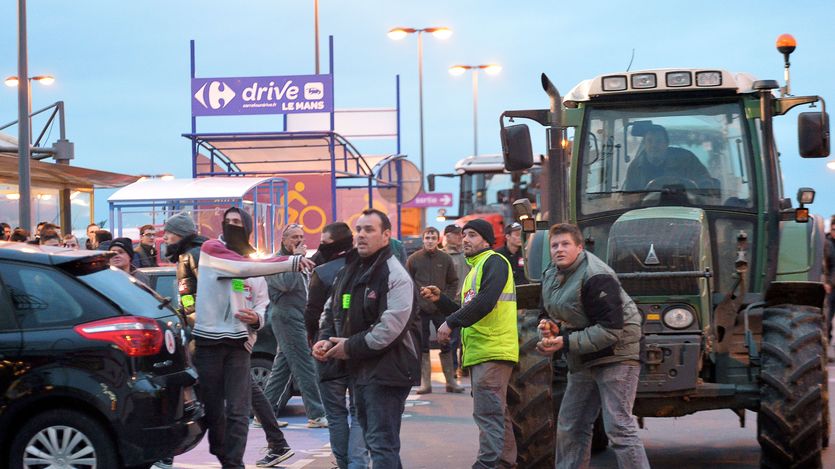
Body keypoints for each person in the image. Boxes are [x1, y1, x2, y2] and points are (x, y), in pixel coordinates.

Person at [192, 207, 314, 469]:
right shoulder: (213, 250)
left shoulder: (256, 264)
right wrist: (292, 261)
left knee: (240, 409)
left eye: (238, 222)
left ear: (246, 227)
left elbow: (261, 302)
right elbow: (251, 271)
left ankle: (238, 461)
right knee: (214, 410)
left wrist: (256, 321)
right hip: (210, 341)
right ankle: (237, 450)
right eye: (228, 222)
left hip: (242, 341)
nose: (233, 226)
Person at [313, 209, 421, 468]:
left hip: (387, 371)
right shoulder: (349, 270)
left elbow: (390, 327)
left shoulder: (394, 274)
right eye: (358, 229)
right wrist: (326, 339)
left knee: (382, 444)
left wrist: (349, 347)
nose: (361, 235)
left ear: (386, 236)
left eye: (369, 230)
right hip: (360, 369)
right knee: (374, 442)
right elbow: (332, 309)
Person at [537, 223, 648, 469]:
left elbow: (610, 330)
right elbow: (547, 312)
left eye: (565, 244)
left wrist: (564, 341)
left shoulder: (596, 276)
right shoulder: (551, 275)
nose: (559, 249)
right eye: (554, 245)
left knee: (618, 426)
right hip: (584, 355)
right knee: (571, 424)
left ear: (579, 247)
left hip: (617, 355)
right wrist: (549, 326)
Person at [420, 218, 518, 469]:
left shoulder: (494, 261)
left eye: (472, 235)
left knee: (488, 414)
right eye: (464, 235)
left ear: (486, 240)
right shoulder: (475, 268)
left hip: (492, 350)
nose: (465, 240)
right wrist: (441, 300)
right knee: (497, 413)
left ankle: (488, 464)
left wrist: (450, 322)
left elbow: (485, 303)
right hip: (483, 351)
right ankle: (504, 462)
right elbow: (469, 310)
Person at [305, 222, 370, 469]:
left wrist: (316, 343)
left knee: (336, 414)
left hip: (327, 349)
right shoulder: (367, 267)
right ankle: (357, 463)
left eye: (325, 241)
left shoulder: (322, 272)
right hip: (358, 348)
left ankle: (345, 464)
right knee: (358, 411)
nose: (321, 245)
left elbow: (312, 314)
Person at [263, 223, 328, 428]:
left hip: (298, 316)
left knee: (281, 369)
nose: (299, 240)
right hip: (285, 317)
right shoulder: (275, 262)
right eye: (294, 237)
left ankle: (263, 413)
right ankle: (316, 414)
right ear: (284, 240)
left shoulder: (298, 260)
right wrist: (296, 260)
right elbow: (287, 284)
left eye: (301, 236)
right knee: (304, 365)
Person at [406, 226, 462, 394]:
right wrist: (415, 300)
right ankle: (425, 383)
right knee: (422, 346)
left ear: (438, 240)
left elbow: (453, 281)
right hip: (420, 309)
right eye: (427, 237)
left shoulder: (445, 258)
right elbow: (407, 282)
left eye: (433, 238)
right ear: (423, 240)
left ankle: (451, 381)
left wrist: (446, 299)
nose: (430, 241)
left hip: (440, 308)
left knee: (446, 342)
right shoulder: (414, 259)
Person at [623, 124, 713, 191]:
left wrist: (704, 193)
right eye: (649, 141)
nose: (654, 145)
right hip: (647, 212)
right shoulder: (635, 168)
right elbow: (629, 198)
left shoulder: (687, 160)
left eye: (658, 141)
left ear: (666, 144)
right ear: (644, 144)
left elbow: (705, 183)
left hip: (685, 210)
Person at [163, 212, 208, 325]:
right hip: (196, 322)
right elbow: (188, 293)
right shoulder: (184, 256)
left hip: (204, 325)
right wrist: (184, 313)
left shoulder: (194, 254)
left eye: (169, 232)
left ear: (180, 234)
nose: (165, 237)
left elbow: (209, 290)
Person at [443, 224, 470, 376]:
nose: (460, 236)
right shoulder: (443, 255)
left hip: (466, 301)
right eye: (456, 234)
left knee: (465, 336)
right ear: (447, 236)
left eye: (460, 234)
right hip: (451, 301)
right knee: (452, 338)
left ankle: (464, 366)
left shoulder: (466, 254)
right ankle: (452, 369)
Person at [823, 215, 835, 349]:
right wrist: (826, 282)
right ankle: (825, 347)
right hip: (830, 287)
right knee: (827, 318)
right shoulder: (827, 243)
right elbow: (824, 265)